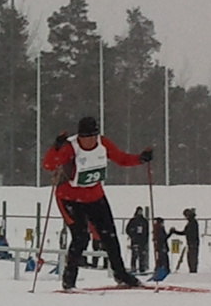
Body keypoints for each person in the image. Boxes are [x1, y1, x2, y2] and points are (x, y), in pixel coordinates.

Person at [43, 116, 151, 290]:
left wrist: (140, 159)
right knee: (81, 237)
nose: (90, 140)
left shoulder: (103, 144)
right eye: (86, 137)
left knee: (110, 236)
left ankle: (121, 274)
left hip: (95, 196)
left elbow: (121, 159)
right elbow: (49, 165)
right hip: (69, 198)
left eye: (93, 136)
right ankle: (69, 279)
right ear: (80, 136)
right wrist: (56, 147)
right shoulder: (70, 147)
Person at [171, 208, 199, 273]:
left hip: (192, 244)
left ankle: (193, 271)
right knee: (191, 258)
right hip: (192, 243)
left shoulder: (192, 223)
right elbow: (185, 232)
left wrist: (175, 232)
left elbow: (186, 232)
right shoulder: (192, 222)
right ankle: (192, 270)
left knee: (192, 259)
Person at [125, 206, 149, 273]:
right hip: (135, 240)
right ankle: (133, 267)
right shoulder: (133, 220)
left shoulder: (144, 221)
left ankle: (142, 268)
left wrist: (145, 240)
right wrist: (132, 234)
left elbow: (146, 231)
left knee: (142, 255)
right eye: (139, 211)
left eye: (141, 211)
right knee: (134, 255)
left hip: (142, 241)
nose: (140, 212)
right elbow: (127, 229)